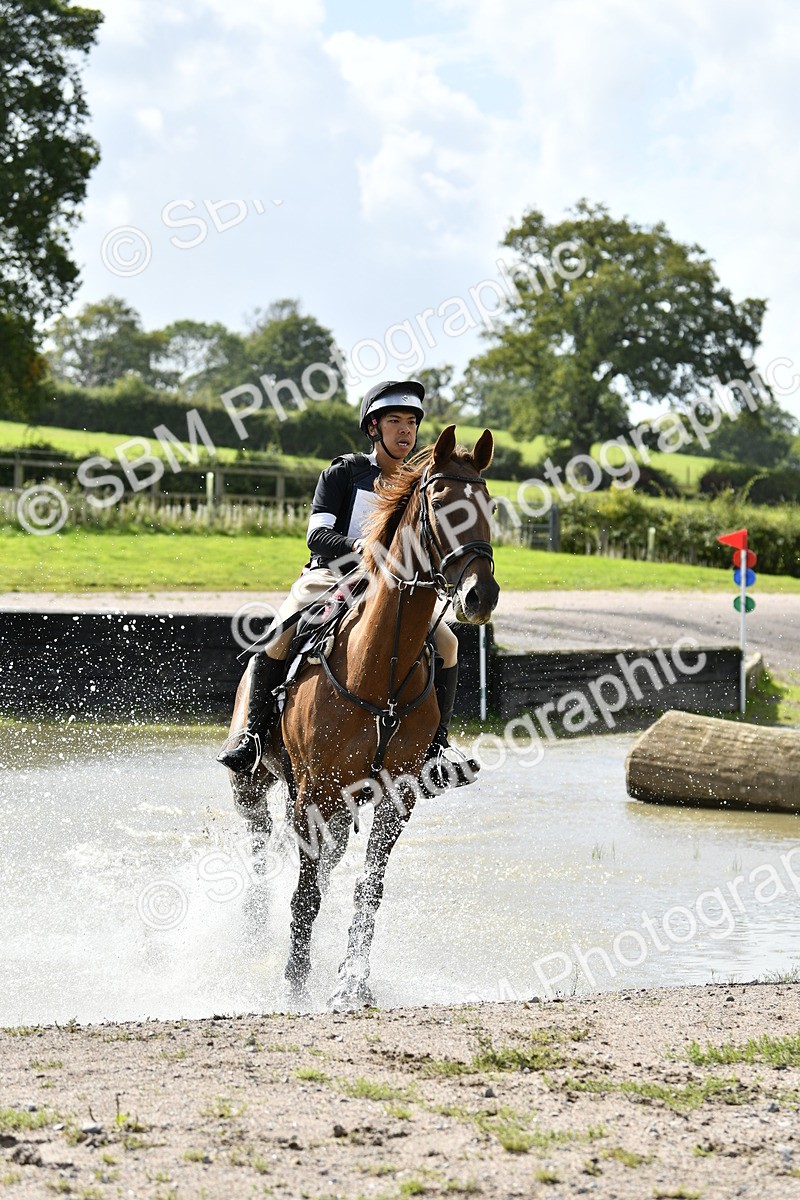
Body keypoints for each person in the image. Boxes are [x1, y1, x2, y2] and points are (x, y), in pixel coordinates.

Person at [217, 379, 478, 788]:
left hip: (390, 589)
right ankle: (251, 736)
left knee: (448, 643)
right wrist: (361, 547)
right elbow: (317, 536)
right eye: (394, 421)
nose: (405, 430)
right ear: (374, 428)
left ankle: (438, 746)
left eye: (411, 422)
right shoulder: (344, 472)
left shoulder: (420, 484)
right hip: (331, 576)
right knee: (279, 634)